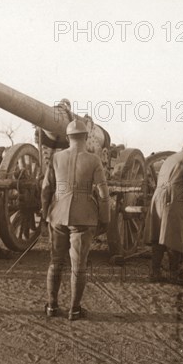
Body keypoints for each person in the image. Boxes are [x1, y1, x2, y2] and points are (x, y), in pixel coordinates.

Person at [41, 119, 110, 321]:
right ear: (86, 137)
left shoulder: (55, 158)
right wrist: (105, 219)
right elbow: (103, 193)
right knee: (78, 266)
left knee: (55, 263)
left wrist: (46, 214)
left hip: (57, 216)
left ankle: (52, 307)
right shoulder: (94, 160)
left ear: (68, 137)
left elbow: (45, 189)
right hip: (84, 218)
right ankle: (74, 309)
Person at [147, 142, 183, 285]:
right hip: (173, 199)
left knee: (158, 236)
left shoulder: (170, 159)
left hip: (158, 197)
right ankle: (174, 275)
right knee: (174, 235)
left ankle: (154, 272)